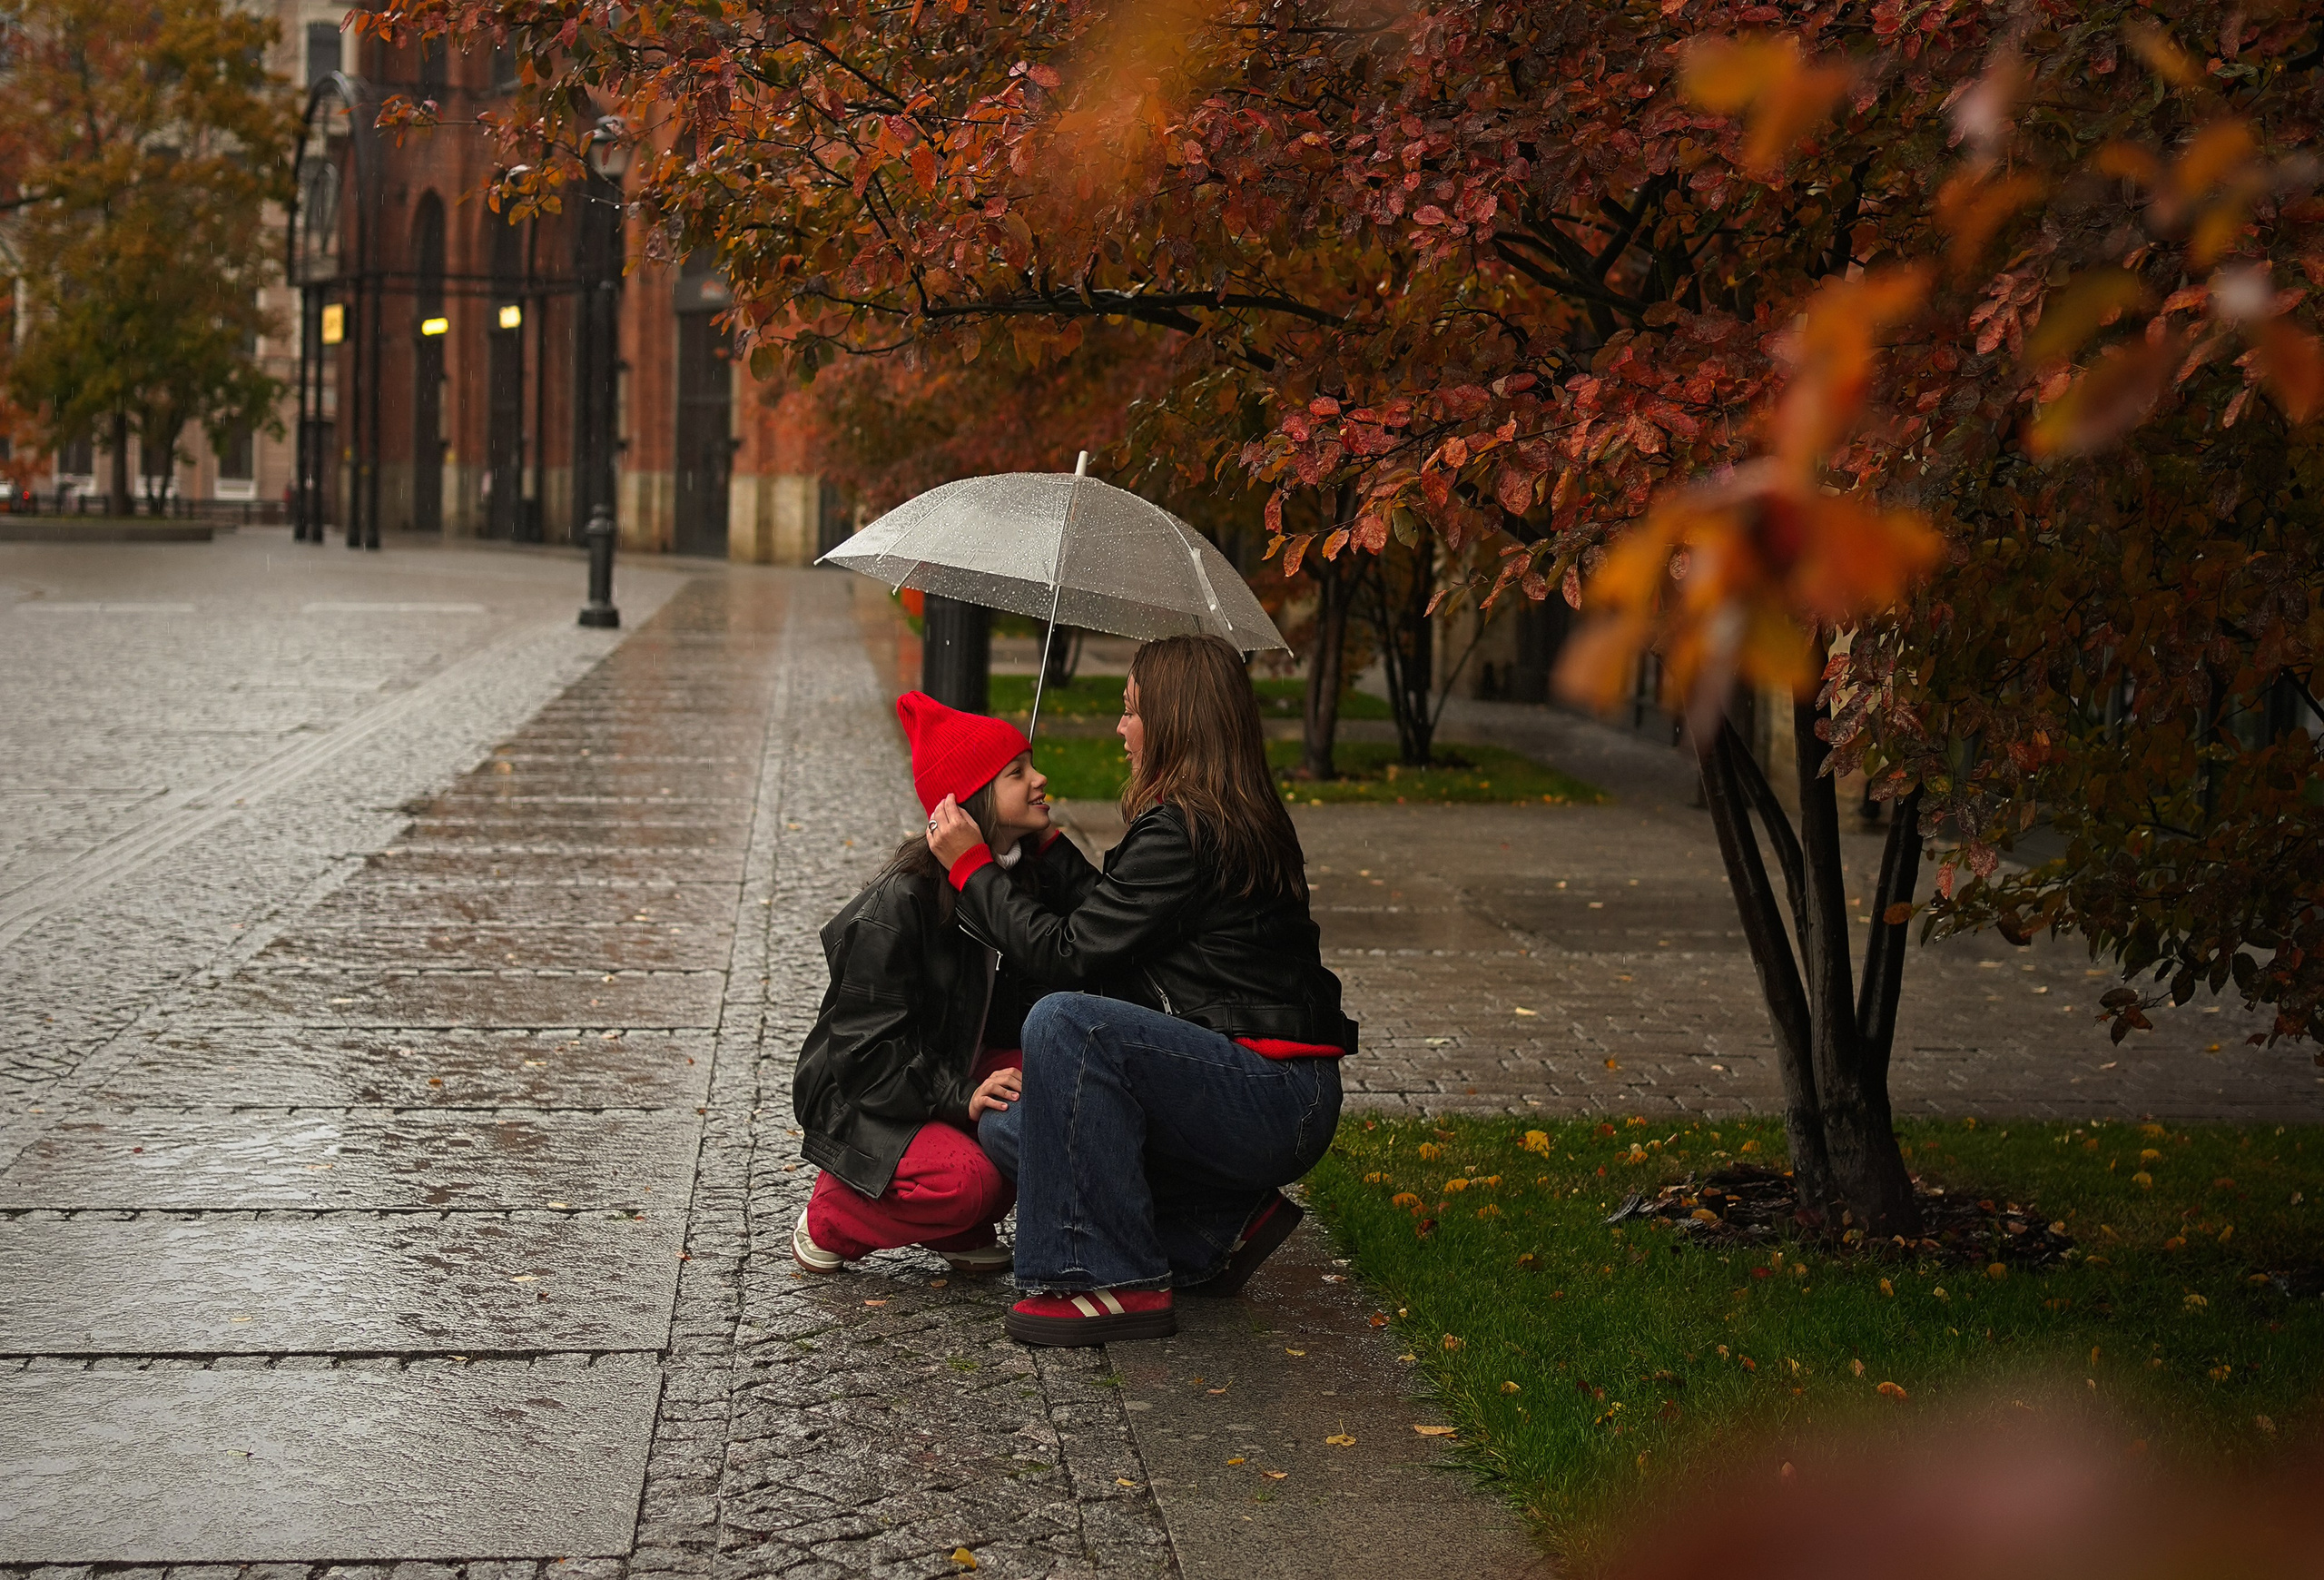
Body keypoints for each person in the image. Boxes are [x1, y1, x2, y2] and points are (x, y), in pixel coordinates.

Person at [929, 634, 1354, 1346]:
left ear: (1174, 722)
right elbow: (1121, 921)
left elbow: (1070, 954)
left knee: (1065, 1023)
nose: (1120, 728)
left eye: (1131, 710)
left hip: (1275, 1094)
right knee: (1013, 1126)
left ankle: (1107, 1279)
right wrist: (1046, 848)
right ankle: (1213, 1224)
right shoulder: (1213, 814)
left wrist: (973, 869)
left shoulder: (1186, 828)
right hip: (1256, 1086)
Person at [792, 691, 1095, 1275]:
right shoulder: (902, 903)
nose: (1040, 779)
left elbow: (1098, 934)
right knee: (973, 1184)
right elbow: (867, 1055)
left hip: (955, 1058)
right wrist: (962, 1096)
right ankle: (834, 1215)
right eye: (1017, 773)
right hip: (866, 1090)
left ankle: (955, 1224)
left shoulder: (1012, 877)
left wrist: (1053, 851)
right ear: (973, 801)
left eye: (1031, 766)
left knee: (1067, 1089)